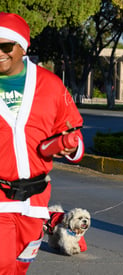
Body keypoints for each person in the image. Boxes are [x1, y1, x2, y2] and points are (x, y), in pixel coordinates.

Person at [0, 12, 84, 274]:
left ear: (23, 46)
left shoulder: (50, 85)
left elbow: (72, 132)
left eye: (5, 46)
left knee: (20, 267)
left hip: (35, 202)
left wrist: (71, 147)